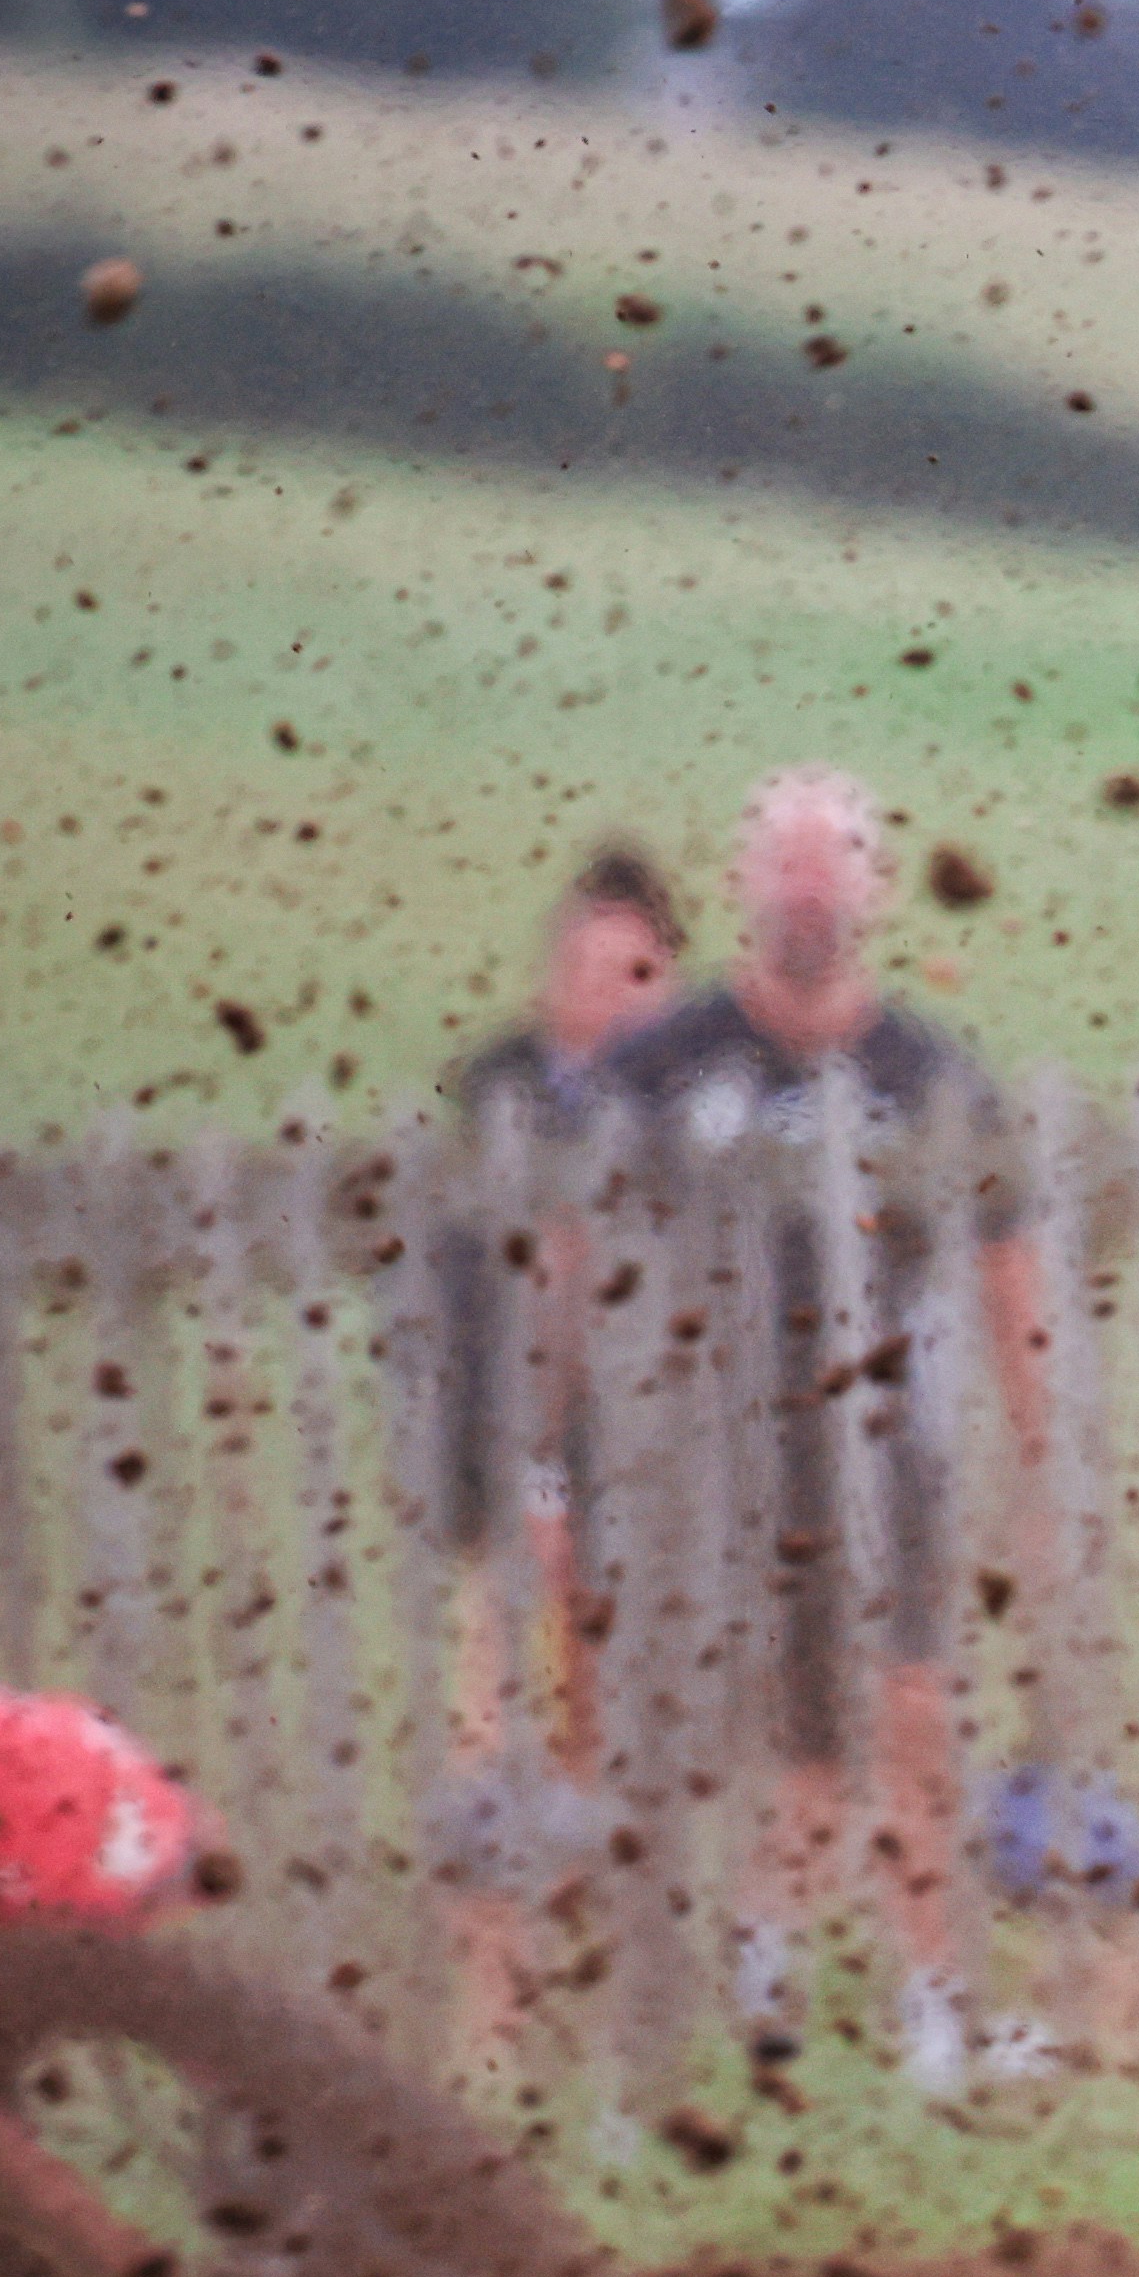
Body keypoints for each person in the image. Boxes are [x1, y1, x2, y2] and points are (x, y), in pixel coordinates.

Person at [605, 774, 1058, 2100]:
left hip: (883, 1455)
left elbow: (1009, 1260)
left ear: (873, 887)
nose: (808, 887)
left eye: (832, 864)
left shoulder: (928, 1074)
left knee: (909, 1716)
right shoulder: (666, 1066)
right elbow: (565, 1249)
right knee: (765, 1747)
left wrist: (1038, 1461)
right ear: (748, 883)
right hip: (703, 1463)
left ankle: (927, 2009)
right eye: (786, 863)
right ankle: (732, 1993)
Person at [418, 844, 679, 2095]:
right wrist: (531, 1491)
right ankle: (493, 2036)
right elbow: (489, 1322)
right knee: (496, 1756)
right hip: (521, 1497)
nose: (607, 993)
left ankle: (622, 2043)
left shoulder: (689, 1104)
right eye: (585, 967)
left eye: (633, 973)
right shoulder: (498, 1098)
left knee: (626, 1770)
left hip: (664, 1506)